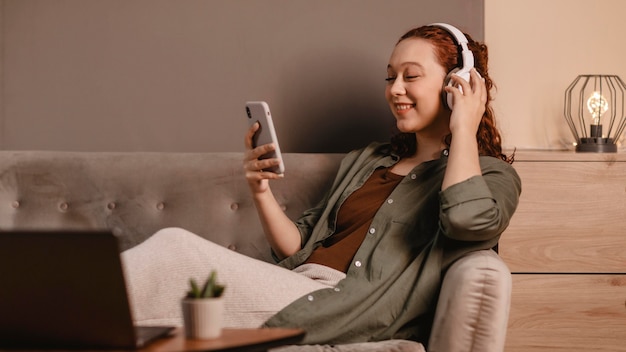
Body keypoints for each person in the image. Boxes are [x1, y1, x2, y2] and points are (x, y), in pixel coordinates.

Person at [121, 23, 521, 348]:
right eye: (390, 77)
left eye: (411, 76)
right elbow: (297, 245)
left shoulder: (493, 176)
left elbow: (466, 221)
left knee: (174, 249)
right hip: (295, 283)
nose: (395, 88)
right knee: (164, 271)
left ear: (459, 85)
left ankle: (61, 312)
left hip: (340, 307)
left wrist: (464, 125)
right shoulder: (368, 160)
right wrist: (259, 189)